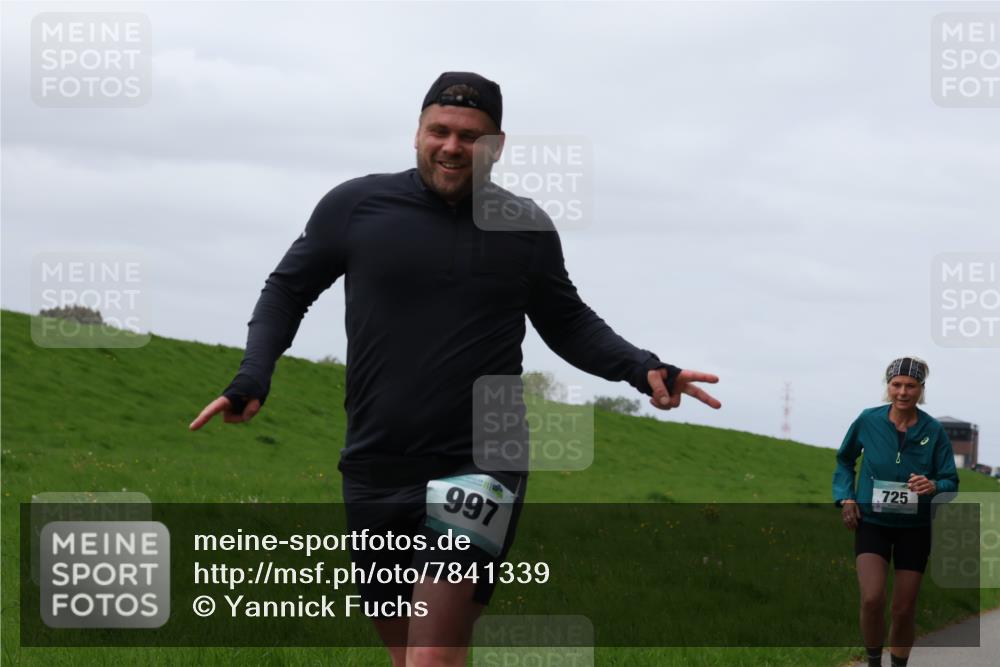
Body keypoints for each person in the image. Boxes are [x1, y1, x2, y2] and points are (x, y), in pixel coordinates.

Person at [190, 71, 722, 667]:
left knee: (432, 656)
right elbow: (286, 292)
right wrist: (252, 378)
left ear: (496, 145)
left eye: (470, 136)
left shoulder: (525, 227)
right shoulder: (355, 207)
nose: (451, 146)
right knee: (409, 654)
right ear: (416, 132)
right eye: (438, 131)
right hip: (375, 461)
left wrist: (644, 368)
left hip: (482, 460)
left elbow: (567, 321)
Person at [832, 356, 958, 667]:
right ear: (888, 386)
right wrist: (846, 498)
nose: (902, 392)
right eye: (896, 384)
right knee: (873, 598)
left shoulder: (934, 430)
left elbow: (950, 481)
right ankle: (874, 661)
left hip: (914, 528)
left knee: (903, 608)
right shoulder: (868, 420)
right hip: (872, 521)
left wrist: (933, 485)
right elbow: (844, 460)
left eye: (910, 386)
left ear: (921, 389)